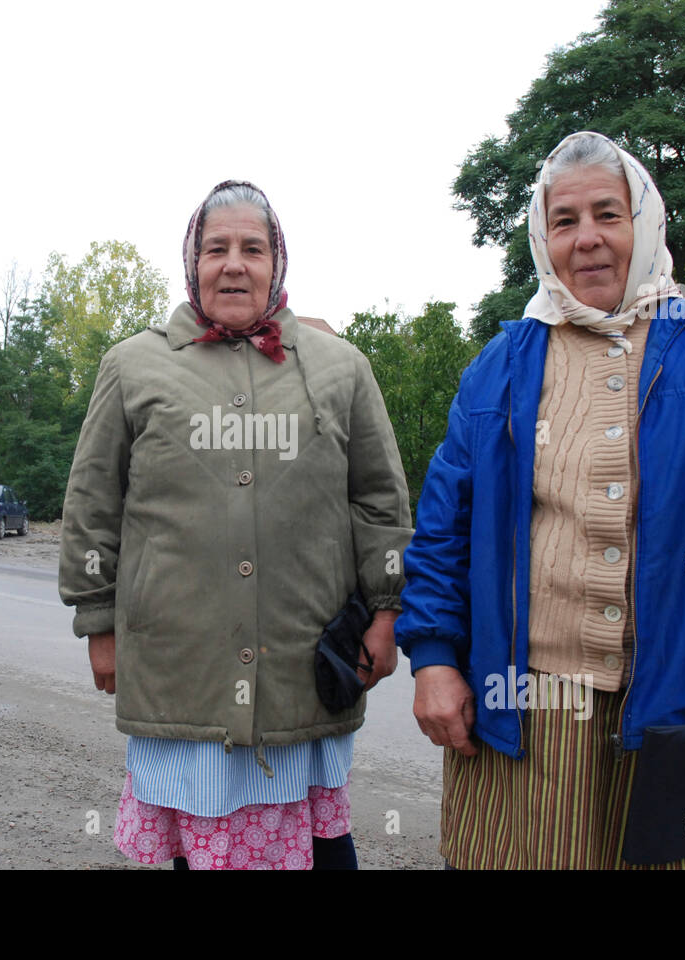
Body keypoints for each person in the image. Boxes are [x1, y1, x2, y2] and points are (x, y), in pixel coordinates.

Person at [395, 131, 685, 869]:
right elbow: (443, 534)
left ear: (645, 223)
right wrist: (434, 658)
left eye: (607, 214)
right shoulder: (499, 369)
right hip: (526, 710)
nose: (587, 239)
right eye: (565, 221)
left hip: (679, 709)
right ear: (543, 237)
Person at [58, 180, 412, 870]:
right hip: (178, 669)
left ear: (277, 262)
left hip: (306, 670)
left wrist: (388, 613)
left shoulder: (341, 368)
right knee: (201, 847)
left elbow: (380, 501)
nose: (234, 263)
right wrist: (97, 624)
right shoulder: (135, 365)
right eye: (216, 248)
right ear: (192, 262)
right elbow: (91, 505)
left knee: (322, 849)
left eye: (253, 247)